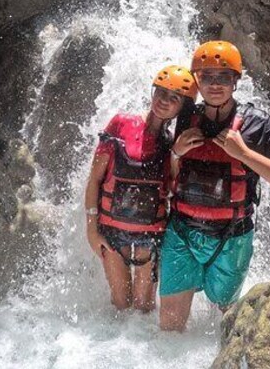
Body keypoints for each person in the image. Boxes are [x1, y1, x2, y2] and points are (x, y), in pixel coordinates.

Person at [159, 41, 270, 331]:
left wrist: (245, 154)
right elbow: (166, 178)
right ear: (197, 80)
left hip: (232, 238)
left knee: (225, 322)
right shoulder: (185, 117)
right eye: (207, 77)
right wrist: (176, 152)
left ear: (236, 80)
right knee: (169, 329)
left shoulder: (258, 123)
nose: (214, 84)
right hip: (182, 232)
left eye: (223, 77)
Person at [84, 64, 197, 312]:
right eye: (161, 92)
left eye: (173, 98)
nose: (164, 101)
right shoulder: (121, 124)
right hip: (112, 229)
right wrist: (92, 230)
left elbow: (174, 187)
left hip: (152, 234)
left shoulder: (176, 143)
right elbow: (94, 180)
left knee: (144, 307)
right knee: (121, 304)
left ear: (182, 108)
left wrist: (177, 154)